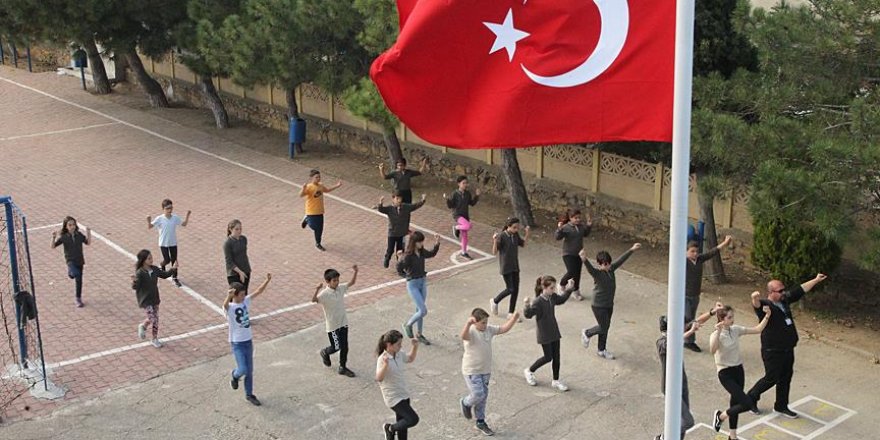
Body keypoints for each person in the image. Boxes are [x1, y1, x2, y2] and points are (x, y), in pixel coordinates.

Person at [747, 273, 827, 418]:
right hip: (772, 350)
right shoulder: (766, 306)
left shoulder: (784, 300)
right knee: (771, 378)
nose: (784, 292)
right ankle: (751, 397)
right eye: (780, 291)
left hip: (788, 349)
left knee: (786, 377)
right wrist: (754, 297)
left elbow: (800, 290)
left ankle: (781, 406)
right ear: (771, 292)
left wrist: (816, 280)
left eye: (784, 289)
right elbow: (756, 305)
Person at [710, 302, 771, 439]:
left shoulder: (735, 329)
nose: (732, 319)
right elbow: (712, 350)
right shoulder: (716, 334)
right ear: (722, 319)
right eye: (729, 317)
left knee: (735, 403)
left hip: (738, 370)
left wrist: (767, 316)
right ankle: (721, 416)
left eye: (732, 317)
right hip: (725, 373)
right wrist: (719, 332)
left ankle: (733, 436)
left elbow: (757, 329)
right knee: (747, 403)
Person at [459, 307, 519, 436]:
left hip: (485, 370)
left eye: (486, 322)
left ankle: (480, 421)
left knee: (483, 397)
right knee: (477, 394)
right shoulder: (471, 331)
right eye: (483, 323)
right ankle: (465, 402)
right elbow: (463, 336)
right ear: (475, 322)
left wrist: (514, 319)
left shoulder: (489, 330)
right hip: (471, 370)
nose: (485, 325)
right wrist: (468, 323)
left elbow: (503, 329)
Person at [579, 243, 641, 359]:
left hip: (608, 304)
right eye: (605, 264)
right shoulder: (597, 273)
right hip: (598, 305)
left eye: (608, 263)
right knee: (603, 327)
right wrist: (584, 259)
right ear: (599, 264)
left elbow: (621, 260)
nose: (608, 266)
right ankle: (587, 333)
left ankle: (601, 350)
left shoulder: (611, 269)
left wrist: (631, 249)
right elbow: (590, 269)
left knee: (605, 327)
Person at [224, 274, 272, 406]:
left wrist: (266, 280)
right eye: (241, 295)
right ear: (235, 295)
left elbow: (258, 292)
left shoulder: (245, 302)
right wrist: (229, 296)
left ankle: (249, 394)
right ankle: (234, 375)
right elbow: (225, 305)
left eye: (244, 294)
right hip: (237, 343)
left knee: (250, 370)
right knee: (243, 369)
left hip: (248, 341)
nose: (244, 296)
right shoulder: (230, 308)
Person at [523, 276, 576, 392]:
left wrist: (569, 288)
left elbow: (561, 300)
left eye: (553, 288)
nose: (554, 290)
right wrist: (527, 305)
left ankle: (556, 381)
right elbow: (529, 315)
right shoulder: (538, 302)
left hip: (554, 331)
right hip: (544, 333)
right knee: (548, 357)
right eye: (552, 288)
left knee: (556, 356)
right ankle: (529, 370)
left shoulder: (552, 297)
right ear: (544, 287)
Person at [684, 235, 733, 352]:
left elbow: (712, 252)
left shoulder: (699, 259)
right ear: (686, 251)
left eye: (696, 251)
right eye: (692, 251)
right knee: (689, 318)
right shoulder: (683, 261)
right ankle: (688, 341)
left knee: (691, 317)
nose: (695, 253)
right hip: (684, 296)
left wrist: (725, 243)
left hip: (695, 295)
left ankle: (685, 338)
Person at [312, 265, 359, 377]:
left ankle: (342, 367)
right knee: (336, 347)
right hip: (333, 326)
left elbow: (351, 283)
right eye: (334, 280)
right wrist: (317, 289)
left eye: (338, 280)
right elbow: (314, 300)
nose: (337, 282)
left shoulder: (340, 288)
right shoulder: (324, 294)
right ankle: (325, 352)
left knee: (345, 347)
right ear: (328, 282)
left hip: (343, 323)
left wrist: (355, 272)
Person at [397, 231, 441, 345]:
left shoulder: (421, 252)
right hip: (413, 284)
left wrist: (437, 243)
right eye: (420, 242)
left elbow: (432, 254)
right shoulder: (407, 256)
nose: (422, 243)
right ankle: (408, 324)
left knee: (419, 310)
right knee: (423, 310)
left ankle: (419, 334)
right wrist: (406, 276)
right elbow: (399, 267)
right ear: (414, 242)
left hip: (422, 282)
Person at [376, 330, 420, 440]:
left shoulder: (399, 354)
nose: (400, 346)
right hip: (393, 397)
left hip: (404, 394)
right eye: (398, 344)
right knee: (412, 419)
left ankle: (393, 431)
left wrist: (415, 347)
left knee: (403, 428)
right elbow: (379, 378)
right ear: (389, 345)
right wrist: (386, 365)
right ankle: (390, 429)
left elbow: (410, 358)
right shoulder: (382, 359)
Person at [131, 249, 177, 348]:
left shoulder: (154, 269)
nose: (151, 260)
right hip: (146, 300)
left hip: (155, 298)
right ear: (143, 260)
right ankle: (143, 326)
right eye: (149, 258)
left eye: (151, 258)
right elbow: (136, 287)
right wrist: (134, 282)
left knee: (156, 319)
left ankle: (154, 338)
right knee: (152, 318)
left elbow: (165, 275)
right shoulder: (140, 273)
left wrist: (173, 269)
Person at [490, 217, 530, 319]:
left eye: (517, 228)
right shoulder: (502, 236)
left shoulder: (515, 235)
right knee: (510, 288)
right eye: (514, 228)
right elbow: (494, 252)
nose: (516, 230)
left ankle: (510, 313)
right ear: (508, 226)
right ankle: (495, 301)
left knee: (516, 290)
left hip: (515, 266)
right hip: (506, 267)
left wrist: (527, 234)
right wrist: (494, 241)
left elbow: (523, 244)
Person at [147, 199, 191, 288]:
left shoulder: (175, 217)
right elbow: (150, 226)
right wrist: (148, 221)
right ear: (163, 209)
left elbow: (184, 224)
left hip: (173, 243)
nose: (170, 210)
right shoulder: (160, 219)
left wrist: (187, 216)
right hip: (163, 243)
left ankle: (175, 278)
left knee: (174, 261)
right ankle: (161, 265)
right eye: (168, 208)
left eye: (171, 207)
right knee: (167, 260)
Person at [376, 192, 426, 268]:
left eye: (400, 199)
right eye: (397, 198)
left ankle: (400, 264)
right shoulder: (390, 209)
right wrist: (380, 203)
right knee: (390, 249)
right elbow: (381, 209)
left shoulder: (405, 207)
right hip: (392, 233)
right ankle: (387, 258)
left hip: (402, 234)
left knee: (400, 250)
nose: (399, 200)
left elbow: (415, 206)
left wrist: (422, 200)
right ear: (393, 199)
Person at [51, 216, 91, 308]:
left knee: (79, 280)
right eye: (70, 225)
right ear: (66, 226)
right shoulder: (64, 237)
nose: (72, 227)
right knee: (75, 273)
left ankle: (78, 298)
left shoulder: (79, 235)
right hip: (70, 261)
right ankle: (70, 273)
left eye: (73, 224)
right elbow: (53, 246)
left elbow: (88, 243)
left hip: (80, 260)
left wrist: (88, 233)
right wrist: (53, 237)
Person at [299, 169, 342, 251]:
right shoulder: (309, 187)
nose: (318, 179)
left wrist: (337, 185)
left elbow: (327, 190)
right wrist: (303, 188)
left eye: (319, 177)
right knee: (314, 226)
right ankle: (307, 220)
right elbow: (301, 195)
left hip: (320, 211)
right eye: (316, 177)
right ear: (312, 178)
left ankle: (318, 243)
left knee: (320, 229)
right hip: (311, 211)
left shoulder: (320, 185)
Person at [555, 209, 592, 301]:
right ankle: (561, 284)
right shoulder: (566, 227)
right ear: (570, 218)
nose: (578, 220)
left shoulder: (581, 227)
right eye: (575, 218)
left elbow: (585, 234)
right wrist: (559, 229)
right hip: (568, 253)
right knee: (571, 271)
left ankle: (576, 291)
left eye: (579, 218)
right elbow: (557, 237)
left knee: (577, 273)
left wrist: (589, 225)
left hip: (579, 253)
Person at [444, 175, 480, 260]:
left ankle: (464, 252)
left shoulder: (467, 193)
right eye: (463, 183)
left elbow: (472, 203)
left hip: (465, 215)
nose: (465, 185)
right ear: (458, 184)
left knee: (464, 235)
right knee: (468, 225)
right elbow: (450, 205)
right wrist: (447, 199)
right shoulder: (455, 194)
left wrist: (477, 196)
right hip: (457, 215)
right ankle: (456, 227)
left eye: (466, 183)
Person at [224, 219, 251, 293]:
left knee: (244, 294)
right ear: (230, 229)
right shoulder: (228, 243)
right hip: (234, 274)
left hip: (246, 270)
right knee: (235, 296)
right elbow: (229, 262)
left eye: (240, 229)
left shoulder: (243, 239)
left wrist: (245, 270)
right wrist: (240, 272)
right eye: (236, 229)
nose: (239, 231)